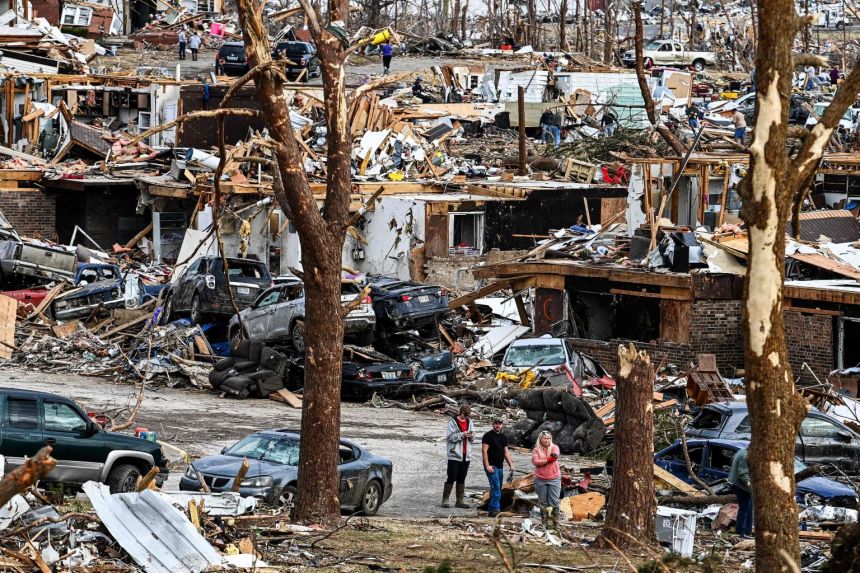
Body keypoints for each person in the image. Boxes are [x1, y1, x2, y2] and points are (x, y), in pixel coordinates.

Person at [481, 417, 514, 518]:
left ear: (502, 425)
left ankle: (490, 507)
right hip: (491, 466)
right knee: (496, 488)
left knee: (497, 488)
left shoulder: (503, 437)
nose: (498, 425)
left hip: (500, 466)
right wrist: (487, 465)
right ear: (493, 424)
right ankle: (495, 509)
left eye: (500, 423)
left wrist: (511, 465)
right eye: (496, 423)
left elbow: (506, 452)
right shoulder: (487, 436)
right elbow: (484, 451)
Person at [443, 404, 475, 509]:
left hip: (466, 455)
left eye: (468, 415)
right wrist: (462, 434)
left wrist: (471, 436)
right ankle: (445, 499)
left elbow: (473, 438)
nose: (467, 417)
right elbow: (449, 437)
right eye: (465, 415)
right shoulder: (452, 422)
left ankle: (460, 500)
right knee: (451, 477)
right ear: (461, 413)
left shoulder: (470, 422)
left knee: (462, 478)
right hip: (455, 454)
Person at [532, 430, 561, 528]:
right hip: (540, 479)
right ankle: (544, 523)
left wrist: (553, 456)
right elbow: (536, 462)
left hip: (554, 478)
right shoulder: (536, 450)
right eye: (545, 438)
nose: (547, 440)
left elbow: (556, 455)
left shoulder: (554, 447)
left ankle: (555, 523)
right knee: (543, 502)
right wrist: (548, 460)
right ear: (540, 439)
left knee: (554, 502)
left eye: (548, 438)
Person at [728, 447, 753, 538]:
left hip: (735, 483)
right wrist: (750, 486)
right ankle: (741, 532)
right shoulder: (745, 456)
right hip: (740, 486)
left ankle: (747, 530)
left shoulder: (741, 451)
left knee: (749, 507)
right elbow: (742, 475)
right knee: (744, 508)